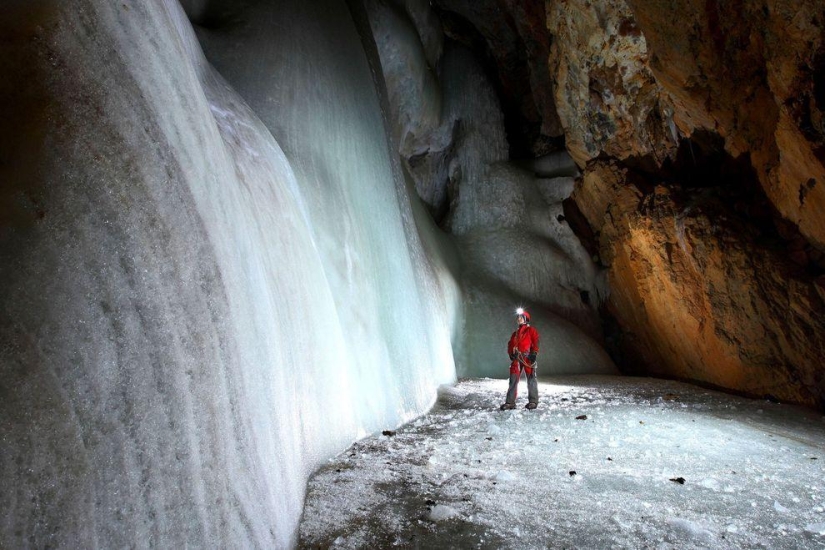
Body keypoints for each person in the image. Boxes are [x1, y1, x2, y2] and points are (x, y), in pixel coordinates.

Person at [500, 308, 540, 410]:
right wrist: (511, 354)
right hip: (517, 358)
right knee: (513, 379)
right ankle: (510, 402)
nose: (518, 318)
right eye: (518, 317)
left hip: (527, 358)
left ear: (526, 318)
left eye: (521, 317)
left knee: (531, 379)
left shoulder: (531, 331)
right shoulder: (515, 333)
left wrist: (534, 353)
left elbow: (536, 342)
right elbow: (510, 344)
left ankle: (533, 401)